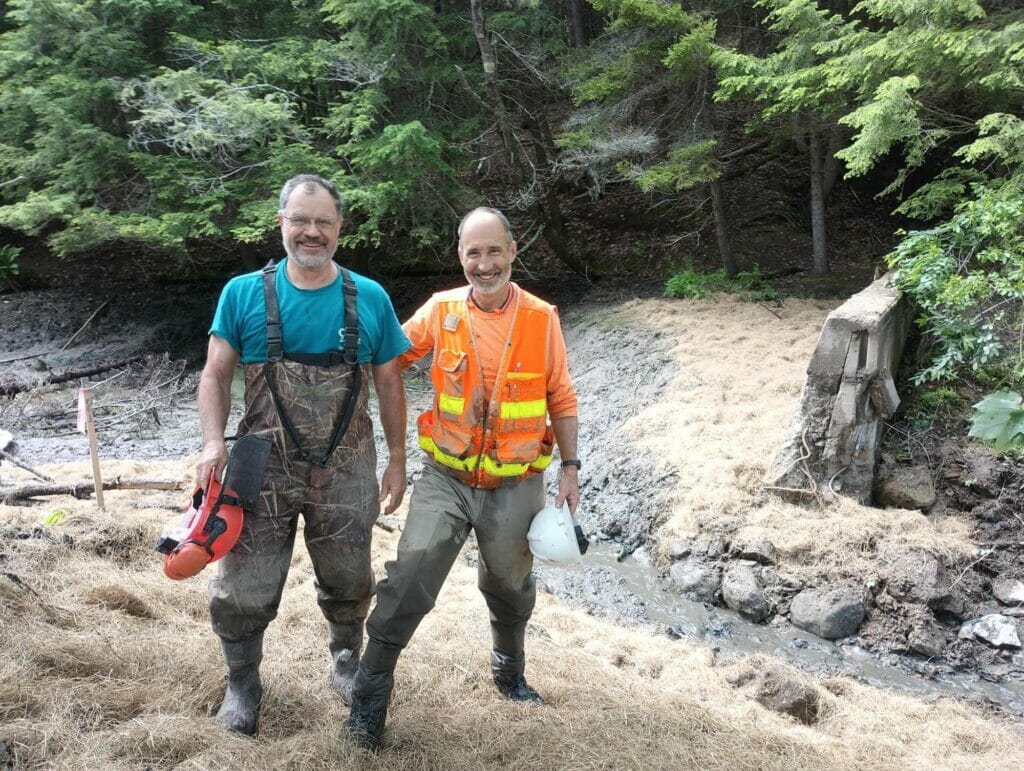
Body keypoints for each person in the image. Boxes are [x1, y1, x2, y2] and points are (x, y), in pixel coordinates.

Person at [344, 206, 580, 751]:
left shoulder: (543, 317)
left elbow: (561, 397)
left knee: (509, 584)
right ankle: (369, 699)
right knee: (410, 577)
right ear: (460, 256)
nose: (484, 263)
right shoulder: (441, 310)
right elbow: (388, 361)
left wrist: (570, 470)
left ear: (513, 252)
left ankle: (508, 670)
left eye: (494, 250)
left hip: (517, 482)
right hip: (445, 476)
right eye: (473, 252)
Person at [195, 173, 410, 735]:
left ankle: (344, 655)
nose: (311, 232)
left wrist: (397, 459)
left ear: (340, 228)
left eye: (323, 222)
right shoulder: (242, 293)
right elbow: (216, 375)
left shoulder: (371, 297)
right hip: (260, 468)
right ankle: (242, 681)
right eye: (300, 220)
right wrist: (212, 443)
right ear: (282, 223)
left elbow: (389, 384)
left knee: (349, 578)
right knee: (243, 584)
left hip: (348, 467)